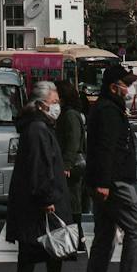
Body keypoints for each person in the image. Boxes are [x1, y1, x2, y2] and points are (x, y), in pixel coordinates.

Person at [4, 80, 77, 272]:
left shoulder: (40, 126)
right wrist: (46, 199)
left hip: (41, 195)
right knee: (32, 248)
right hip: (38, 199)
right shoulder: (37, 129)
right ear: (42, 104)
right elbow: (39, 166)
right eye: (54, 102)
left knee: (53, 247)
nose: (58, 106)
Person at [84, 62, 137, 272]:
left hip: (105, 179)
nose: (130, 89)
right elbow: (106, 148)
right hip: (115, 180)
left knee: (105, 234)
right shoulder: (110, 111)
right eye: (127, 84)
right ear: (114, 87)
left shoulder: (106, 108)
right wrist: (104, 182)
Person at [54, 79, 88, 247]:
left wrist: (66, 165)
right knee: (71, 202)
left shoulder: (69, 115)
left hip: (72, 166)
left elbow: (73, 142)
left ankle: (78, 238)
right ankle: (77, 237)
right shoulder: (69, 114)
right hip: (70, 164)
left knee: (73, 203)